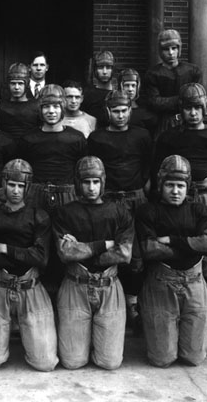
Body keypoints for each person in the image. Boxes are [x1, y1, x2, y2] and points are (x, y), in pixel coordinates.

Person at [153, 82, 207, 339]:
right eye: (188, 108)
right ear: (180, 110)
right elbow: (158, 170)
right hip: (178, 200)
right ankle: (174, 312)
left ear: (205, 108)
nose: (193, 113)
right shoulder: (170, 137)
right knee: (179, 252)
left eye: (197, 108)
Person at [0, 159, 58, 372]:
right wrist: (24, 254)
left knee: (46, 363)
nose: (16, 190)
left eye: (21, 186)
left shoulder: (38, 215)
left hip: (29, 285)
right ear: (4, 184)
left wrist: (5, 249)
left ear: (28, 187)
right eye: (12, 184)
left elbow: (41, 258)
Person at [52, 156, 133, 370]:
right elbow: (64, 253)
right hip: (75, 284)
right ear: (78, 183)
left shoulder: (119, 212)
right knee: (72, 362)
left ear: (103, 182)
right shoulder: (65, 213)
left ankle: (97, 343)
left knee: (110, 362)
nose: (91, 187)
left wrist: (82, 248)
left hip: (109, 286)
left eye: (96, 182)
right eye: (86, 182)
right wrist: (105, 244)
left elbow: (124, 254)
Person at [136, 155, 207, 367]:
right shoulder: (148, 211)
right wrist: (190, 247)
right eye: (170, 185)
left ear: (187, 186)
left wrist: (172, 240)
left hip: (195, 281)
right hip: (161, 283)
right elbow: (150, 250)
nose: (175, 191)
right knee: (163, 358)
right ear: (161, 185)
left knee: (194, 358)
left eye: (180, 185)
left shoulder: (199, 210)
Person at [87, 89, 152, 333]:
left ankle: (133, 303)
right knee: (107, 249)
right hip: (108, 199)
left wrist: (141, 186)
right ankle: (106, 302)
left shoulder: (141, 135)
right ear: (107, 112)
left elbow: (148, 163)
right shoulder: (97, 138)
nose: (120, 115)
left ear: (130, 110)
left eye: (124, 110)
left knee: (135, 255)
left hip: (135, 197)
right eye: (115, 111)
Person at [18, 84, 87, 214]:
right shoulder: (28, 139)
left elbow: (82, 172)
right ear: (40, 109)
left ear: (62, 108)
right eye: (46, 106)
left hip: (68, 196)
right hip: (35, 196)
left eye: (56, 106)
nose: (51, 111)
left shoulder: (76, 138)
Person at [140, 29, 202, 137]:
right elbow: (154, 102)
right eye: (166, 49)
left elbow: (198, 98)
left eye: (174, 48)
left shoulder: (192, 71)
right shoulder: (153, 74)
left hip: (189, 120)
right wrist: (183, 99)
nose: (170, 53)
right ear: (160, 51)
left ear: (179, 49)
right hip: (163, 122)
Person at [0, 63, 40, 140]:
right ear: (8, 84)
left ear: (27, 84)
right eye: (13, 83)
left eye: (20, 83)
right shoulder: (0, 106)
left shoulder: (36, 106)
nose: (16, 87)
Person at [82, 50, 117, 129]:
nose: (104, 72)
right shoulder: (87, 95)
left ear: (113, 69)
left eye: (108, 67)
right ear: (95, 70)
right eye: (101, 67)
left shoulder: (118, 94)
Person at [119, 68, 158, 136]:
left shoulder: (146, 112)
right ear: (121, 86)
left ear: (138, 87)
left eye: (133, 85)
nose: (130, 89)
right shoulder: (113, 111)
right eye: (126, 85)